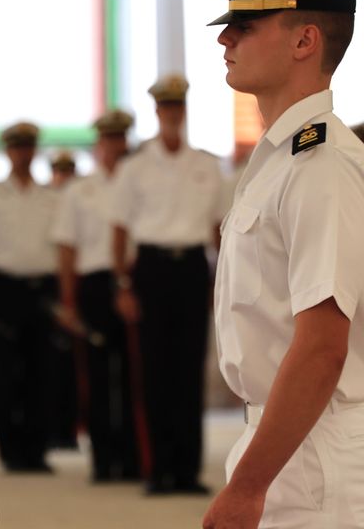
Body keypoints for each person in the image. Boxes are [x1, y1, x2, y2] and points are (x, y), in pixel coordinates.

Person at [201, 0, 364, 528]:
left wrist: (248, 487)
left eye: (246, 25)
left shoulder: (321, 164)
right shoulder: (281, 159)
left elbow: (322, 346)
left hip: (314, 448)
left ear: (305, 40)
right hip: (281, 435)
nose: (225, 37)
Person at [111, 74, 224, 495]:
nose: (173, 115)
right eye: (166, 109)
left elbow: (216, 230)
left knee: (189, 371)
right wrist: (122, 284)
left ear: (184, 111)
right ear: (157, 112)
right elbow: (120, 230)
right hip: (151, 270)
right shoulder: (135, 168)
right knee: (155, 370)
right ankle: (158, 469)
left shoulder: (206, 165)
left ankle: (187, 470)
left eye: (178, 108)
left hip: (192, 268)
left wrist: (221, 282)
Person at [53, 109, 141, 483]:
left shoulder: (141, 184)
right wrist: (69, 301)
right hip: (92, 284)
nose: (114, 148)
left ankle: (136, 459)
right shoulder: (79, 190)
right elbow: (67, 249)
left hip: (134, 281)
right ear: (98, 146)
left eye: (120, 140)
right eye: (107, 141)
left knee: (137, 374)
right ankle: (104, 459)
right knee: (100, 375)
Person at [0, 122, 63, 472]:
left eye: (28, 147)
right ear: (9, 152)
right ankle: (10, 448)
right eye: (17, 147)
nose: (23, 154)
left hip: (43, 289)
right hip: (6, 289)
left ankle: (37, 449)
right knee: (7, 373)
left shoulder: (51, 197)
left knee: (43, 372)